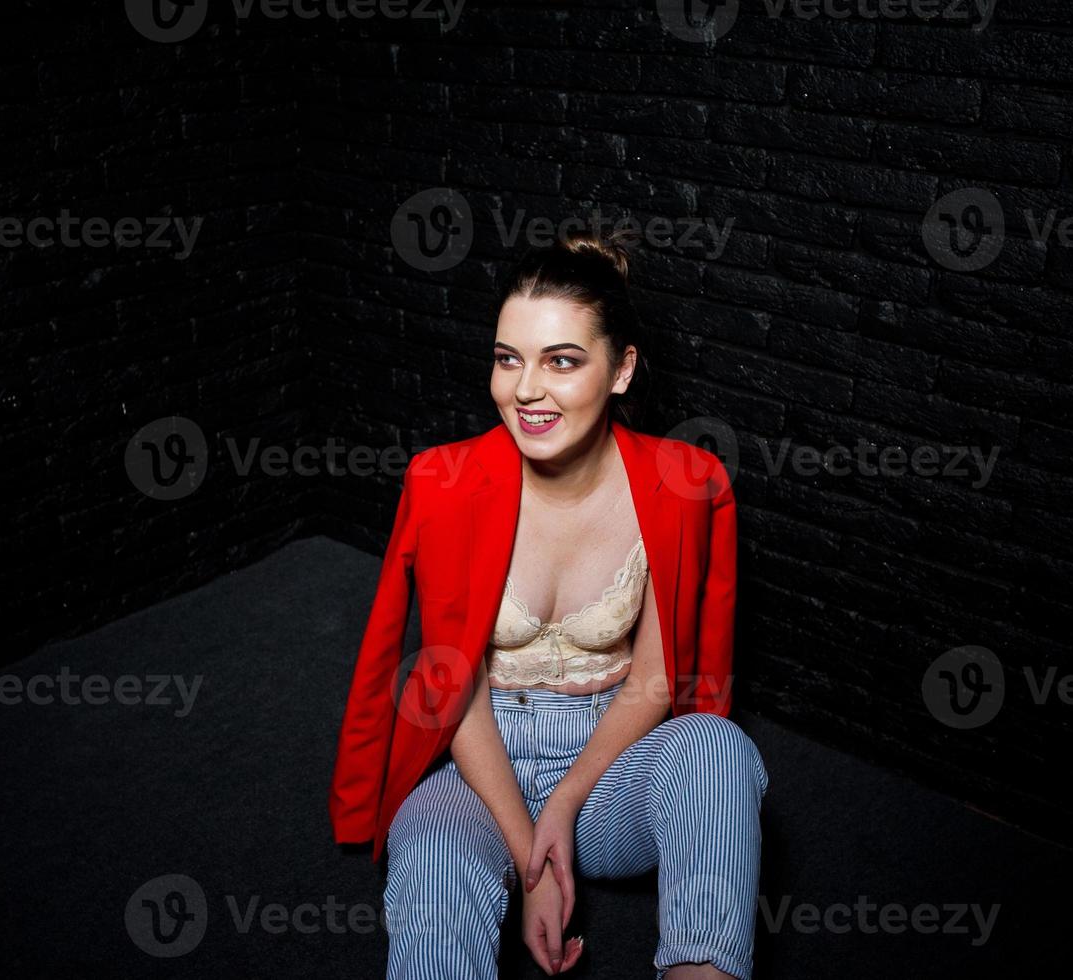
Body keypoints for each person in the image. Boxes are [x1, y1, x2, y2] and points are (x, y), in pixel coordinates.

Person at [330, 227, 769, 979]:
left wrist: (563, 805)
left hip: (609, 770)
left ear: (621, 369)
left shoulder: (681, 484)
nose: (525, 389)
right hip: (477, 762)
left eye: (561, 361)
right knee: (435, 869)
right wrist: (528, 858)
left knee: (717, 752)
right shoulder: (445, 483)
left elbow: (658, 682)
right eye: (509, 359)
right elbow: (452, 688)